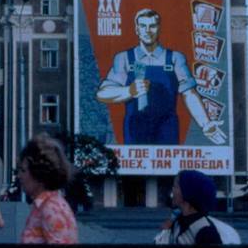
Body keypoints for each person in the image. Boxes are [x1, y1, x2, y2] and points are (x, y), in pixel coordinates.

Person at [96, 8, 226, 145]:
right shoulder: (124, 58)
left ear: (158, 28)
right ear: (137, 29)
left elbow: (189, 93)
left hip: (167, 128)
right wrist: (128, 91)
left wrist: (206, 124)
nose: (147, 30)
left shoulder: (175, 58)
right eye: (143, 26)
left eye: (152, 26)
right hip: (135, 128)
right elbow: (103, 93)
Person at [17, 134, 78, 245]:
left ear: (39, 174)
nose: (19, 176)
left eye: (23, 170)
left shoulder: (51, 209)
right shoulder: (45, 205)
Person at [167, 169, 241, 245]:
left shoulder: (206, 231)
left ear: (187, 192)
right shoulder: (177, 222)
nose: (172, 190)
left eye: (176, 186)